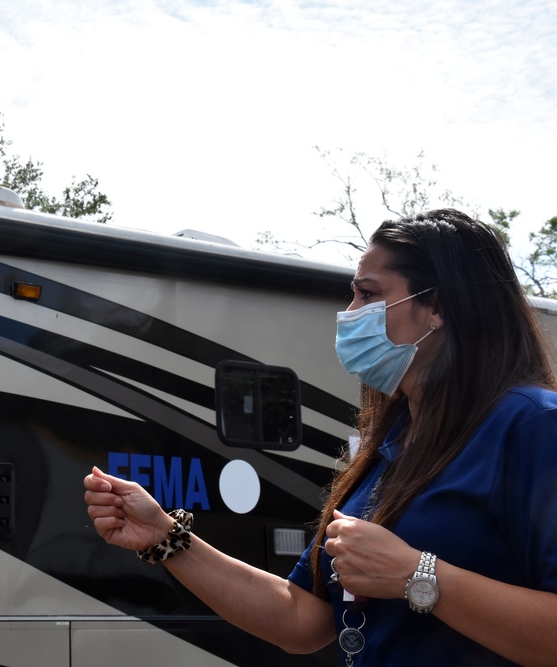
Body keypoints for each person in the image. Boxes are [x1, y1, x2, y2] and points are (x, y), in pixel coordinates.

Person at [84, 209, 557, 666]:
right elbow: (301, 620)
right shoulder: (393, 445)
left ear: (438, 308)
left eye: (368, 295)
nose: (349, 313)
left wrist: (417, 575)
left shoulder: (532, 425)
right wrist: (168, 537)